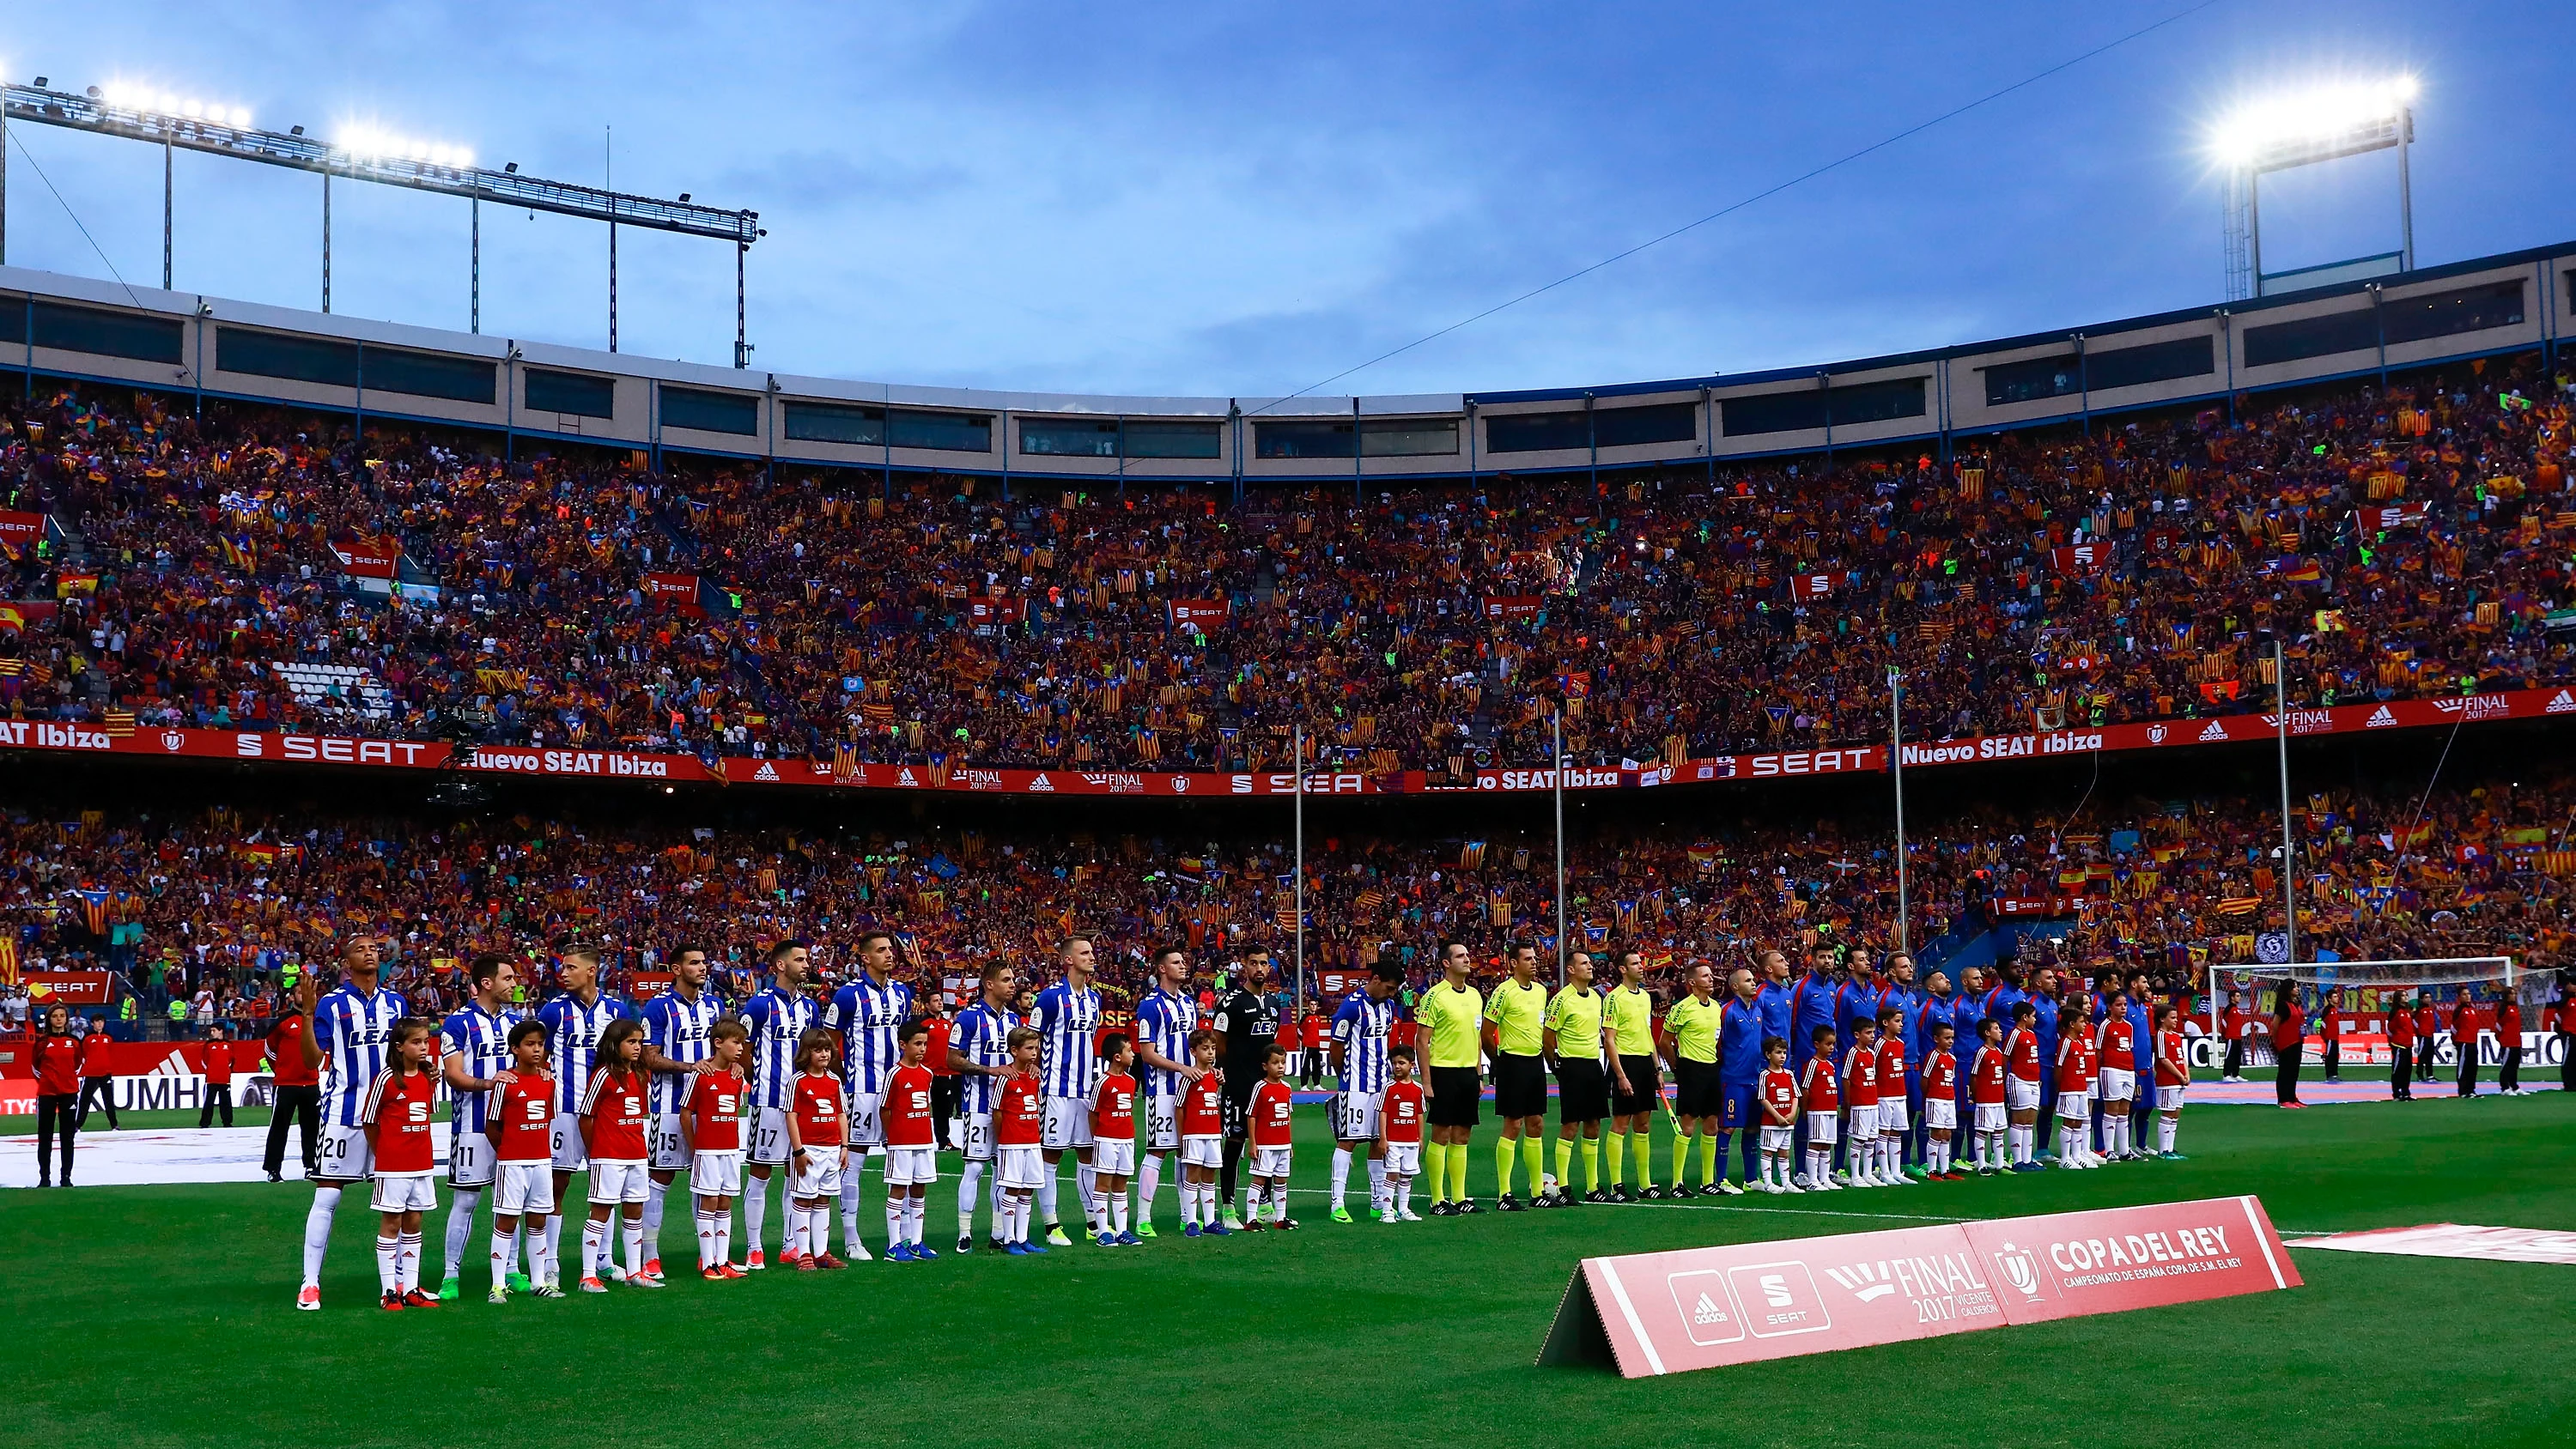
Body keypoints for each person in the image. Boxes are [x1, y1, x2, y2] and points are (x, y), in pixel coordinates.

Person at [295, 932, 404, 1312]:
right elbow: (311, 1061)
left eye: (374, 948)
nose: (370, 953)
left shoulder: (396, 1003)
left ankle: (401, 1284)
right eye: (361, 949)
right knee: (327, 1194)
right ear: (346, 961)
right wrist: (307, 1015)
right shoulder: (331, 1003)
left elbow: (407, 1054)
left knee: (400, 1200)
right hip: (345, 1112)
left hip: (390, 1115)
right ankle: (310, 1283)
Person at [537, 938, 628, 1283]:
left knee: (608, 1186)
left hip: (605, 1112)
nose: (564, 973)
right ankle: (550, 1262)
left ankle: (603, 1258)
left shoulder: (615, 1010)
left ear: (592, 971)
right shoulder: (553, 1010)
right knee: (556, 1185)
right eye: (563, 967)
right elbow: (538, 1052)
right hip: (565, 1109)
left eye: (571, 967)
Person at [435, 953, 522, 1301]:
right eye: (508, 978)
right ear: (487, 983)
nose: (514, 984)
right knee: (467, 1201)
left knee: (512, 1200)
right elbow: (453, 1075)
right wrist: (491, 1084)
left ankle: (513, 1269)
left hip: (513, 1126)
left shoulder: (515, 1022)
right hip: (472, 1125)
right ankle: (450, 1275)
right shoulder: (458, 1023)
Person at [823, 931, 912, 1263]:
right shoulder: (847, 996)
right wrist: (844, 1081)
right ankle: (851, 1237)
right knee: (854, 1163)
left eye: (891, 949)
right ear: (865, 958)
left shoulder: (902, 993)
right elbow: (830, 1043)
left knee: (904, 1162)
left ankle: (903, 1239)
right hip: (862, 1090)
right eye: (881, 950)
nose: (889, 955)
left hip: (897, 1090)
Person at [638, 943, 721, 1279]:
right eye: (694, 963)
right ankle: (650, 1254)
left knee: (708, 1181)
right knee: (660, 1178)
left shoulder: (715, 1006)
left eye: (704, 962)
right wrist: (691, 1068)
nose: (702, 968)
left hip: (710, 1107)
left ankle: (708, 1256)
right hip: (668, 1106)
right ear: (676, 969)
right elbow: (648, 1057)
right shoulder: (658, 1008)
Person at [739, 938, 818, 1269]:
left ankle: (790, 1244)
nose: (806, 964)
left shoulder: (810, 1007)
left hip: (799, 1105)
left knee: (795, 1174)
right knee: (760, 1173)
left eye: (807, 959)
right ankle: (754, 1246)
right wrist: (756, 1080)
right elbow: (741, 1049)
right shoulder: (759, 1005)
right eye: (800, 959)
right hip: (768, 1102)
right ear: (781, 965)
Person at [361, 1017, 441, 1311]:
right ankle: (388, 1291)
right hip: (393, 1164)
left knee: (414, 1222)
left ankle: (410, 1287)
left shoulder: (426, 1079)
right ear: (399, 1047)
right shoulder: (386, 1079)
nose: (423, 1047)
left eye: (425, 1041)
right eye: (416, 1042)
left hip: (421, 1162)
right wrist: (383, 1153)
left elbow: (426, 1115)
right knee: (392, 1222)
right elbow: (369, 1120)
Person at [1032, 937, 1104, 1246]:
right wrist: (1032, 1069)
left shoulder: (1094, 999)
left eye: (1091, 952)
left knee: (1088, 1155)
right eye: (1084, 953)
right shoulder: (1049, 998)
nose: (1091, 957)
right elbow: (1031, 1038)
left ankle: (1093, 1222)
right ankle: (1052, 1225)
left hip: (1085, 1090)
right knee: (1051, 1155)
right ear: (1068, 960)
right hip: (1056, 1090)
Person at [576, 1016, 656, 1292]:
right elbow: (586, 1116)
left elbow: (638, 1114)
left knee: (635, 1211)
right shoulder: (603, 1075)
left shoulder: (641, 1075)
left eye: (640, 1042)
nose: (637, 1047)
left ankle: (635, 1271)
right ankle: (588, 1275)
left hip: (636, 1153)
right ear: (615, 1044)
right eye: (631, 1042)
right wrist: (595, 1151)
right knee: (601, 1211)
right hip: (608, 1155)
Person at [947, 959, 1020, 1252]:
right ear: (989, 984)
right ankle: (964, 1233)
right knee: (975, 1168)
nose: (1012, 984)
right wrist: (991, 1071)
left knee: (1003, 1170)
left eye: (1012, 979)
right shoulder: (969, 1018)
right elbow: (952, 1060)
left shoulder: (1014, 1020)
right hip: (977, 1104)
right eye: (1006, 979)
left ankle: (998, 1232)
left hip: (1009, 1106)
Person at [485, 1019, 562, 1300]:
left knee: (538, 1221)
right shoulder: (505, 1083)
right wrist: (507, 1152)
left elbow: (547, 1121)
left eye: (540, 1044)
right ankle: (497, 1285)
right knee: (506, 1221)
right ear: (515, 1048)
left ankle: (538, 1281)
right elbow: (492, 1126)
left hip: (542, 1161)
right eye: (530, 1044)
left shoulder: (548, 1082)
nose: (537, 1049)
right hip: (512, 1164)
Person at [1131, 946, 1201, 1239]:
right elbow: (1146, 1054)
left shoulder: (1188, 1003)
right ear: (1161, 969)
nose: (1183, 966)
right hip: (1162, 1090)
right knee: (1158, 1150)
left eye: (1183, 961)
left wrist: (1207, 1070)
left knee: (1189, 1152)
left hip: (1191, 1089)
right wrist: (1181, 1068)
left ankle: (1189, 1218)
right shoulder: (1149, 1006)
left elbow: (1198, 1047)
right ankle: (1143, 1219)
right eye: (1176, 962)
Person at [1210, 948, 1279, 1228]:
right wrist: (1226, 1071)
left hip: (1264, 1088)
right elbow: (1219, 1039)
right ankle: (1228, 1208)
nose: (1259, 968)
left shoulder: (1274, 1002)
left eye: (1263, 963)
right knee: (1236, 1144)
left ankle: (1264, 1204)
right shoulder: (1232, 1002)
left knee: (1268, 1143)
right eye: (1254, 963)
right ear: (1245, 968)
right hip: (1239, 1085)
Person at [678, 1019, 750, 1280]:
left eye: (742, 1042)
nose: (740, 1048)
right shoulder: (701, 1074)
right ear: (718, 1044)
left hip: (731, 1149)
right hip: (707, 1151)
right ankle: (708, 1263)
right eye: (735, 1042)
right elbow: (685, 1114)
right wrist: (695, 1147)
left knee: (726, 1201)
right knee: (708, 1202)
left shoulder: (736, 1076)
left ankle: (723, 1261)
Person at [1327, 963, 1400, 1222]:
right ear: (1376, 979)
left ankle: (1378, 1202)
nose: (1392, 994)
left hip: (1381, 1084)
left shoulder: (1389, 1007)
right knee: (1348, 1141)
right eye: (1389, 988)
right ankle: (1337, 1203)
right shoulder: (1351, 1006)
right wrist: (1344, 1076)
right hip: (1355, 1085)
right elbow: (1335, 1047)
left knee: (1378, 1143)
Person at [1483, 942, 1552, 1210]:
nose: (1534, 962)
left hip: (1535, 1062)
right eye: (1527, 958)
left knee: (1536, 1123)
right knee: (1513, 1125)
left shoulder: (1541, 991)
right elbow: (1487, 1033)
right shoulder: (1503, 992)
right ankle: (1504, 1193)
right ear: (1513, 963)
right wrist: (1498, 1062)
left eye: (1535, 958)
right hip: (1512, 1062)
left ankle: (1537, 1192)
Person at [1418, 940, 1483, 1216]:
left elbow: (1477, 1036)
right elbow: (1422, 1040)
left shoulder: (1476, 996)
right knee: (1442, 1134)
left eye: (1467, 955)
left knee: (1463, 1135)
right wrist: (1428, 1081)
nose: (1467, 959)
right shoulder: (1435, 996)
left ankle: (1460, 1197)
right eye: (1460, 956)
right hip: (1443, 1071)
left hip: (1468, 1073)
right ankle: (1437, 1199)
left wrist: (1479, 1073)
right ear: (1446, 963)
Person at [1543, 952, 1610, 1206]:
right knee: (1571, 1125)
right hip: (1572, 1066)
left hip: (1594, 1064)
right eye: (1584, 963)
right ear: (1570, 970)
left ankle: (1593, 1186)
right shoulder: (1561, 1000)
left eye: (1590, 963)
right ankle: (1563, 1186)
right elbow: (1548, 1037)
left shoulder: (1595, 997)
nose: (1590, 966)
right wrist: (1557, 1066)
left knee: (1594, 1124)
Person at [786, 1025, 851, 1271]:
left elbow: (841, 1115)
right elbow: (791, 1116)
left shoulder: (834, 1081)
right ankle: (803, 1253)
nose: (824, 1054)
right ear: (806, 1053)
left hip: (832, 1150)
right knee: (804, 1199)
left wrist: (844, 1146)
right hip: (809, 1150)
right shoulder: (798, 1081)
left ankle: (821, 1252)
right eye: (817, 1050)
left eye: (827, 1050)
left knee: (824, 1199)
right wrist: (798, 1150)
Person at [1659, 962, 1727, 1196]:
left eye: (1711, 975)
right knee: (1687, 1126)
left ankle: (1708, 1182)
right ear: (1692, 982)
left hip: (1711, 1069)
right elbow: (1664, 1041)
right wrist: (1678, 1067)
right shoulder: (1682, 1008)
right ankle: (1677, 1182)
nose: (1711, 979)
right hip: (1690, 1068)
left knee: (1712, 1124)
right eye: (1705, 976)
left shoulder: (1716, 1007)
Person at [1602, 950, 1662, 1202]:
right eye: (1635, 963)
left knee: (1643, 1124)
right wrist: (1620, 1075)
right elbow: (1609, 1039)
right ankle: (1617, 1185)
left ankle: (1645, 1184)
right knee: (1621, 1124)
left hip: (1645, 1064)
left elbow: (1647, 1033)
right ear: (1622, 969)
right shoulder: (1614, 998)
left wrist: (1657, 1068)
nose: (1641, 966)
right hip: (1625, 1062)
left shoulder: (1646, 997)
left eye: (1641, 962)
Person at [995, 1026, 1048, 1256]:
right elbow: (997, 1111)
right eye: (1029, 1048)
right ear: (1014, 1050)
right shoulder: (1005, 1078)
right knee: (1013, 1188)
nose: (1035, 1052)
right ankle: (1008, 1240)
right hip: (1012, 1142)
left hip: (1031, 1141)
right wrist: (1004, 1138)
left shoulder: (1034, 1075)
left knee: (1028, 1189)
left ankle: (1023, 1237)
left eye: (1036, 1048)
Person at [1713, 967, 1765, 1192]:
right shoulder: (1728, 1011)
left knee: (1753, 1128)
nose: (1754, 983)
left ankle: (1751, 1178)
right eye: (1748, 980)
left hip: (1756, 1077)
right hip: (1734, 1079)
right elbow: (1718, 1043)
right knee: (1728, 1128)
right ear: (1735, 986)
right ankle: (1721, 1179)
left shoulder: (1758, 1008)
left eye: (1754, 980)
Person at [1087, 1033, 1141, 1246]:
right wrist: (1098, 1138)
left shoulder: (1130, 1081)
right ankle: (1102, 1232)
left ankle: (1122, 1231)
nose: (1133, 1054)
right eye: (1129, 1050)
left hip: (1127, 1139)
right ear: (1117, 1056)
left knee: (1121, 1185)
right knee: (1103, 1184)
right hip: (1106, 1139)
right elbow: (1093, 1113)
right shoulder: (1103, 1082)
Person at [1177, 1028, 1231, 1236]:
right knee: (1193, 1176)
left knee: (1210, 1176)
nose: (1210, 1053)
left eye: (1213, 1049)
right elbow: (1179, 1107)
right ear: (1193, 1051)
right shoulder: (1190, 1078)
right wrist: (1182, 1138)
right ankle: (1191, 1221)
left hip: (1213, 1133)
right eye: (1205, 1049)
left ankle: (1210, 1221)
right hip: (1194, 1134)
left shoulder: (1216, 1077)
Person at [264, 994, 321, 1182]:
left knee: (312, 1128)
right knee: (279, 1128)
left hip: (311, 1083)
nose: (303, 995)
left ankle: (311, 1166)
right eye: (299, 991)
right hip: (286, 1084)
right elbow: (269, 1050)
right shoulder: (283, 1022)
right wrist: (282, 1070)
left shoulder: (317, 1020)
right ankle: (273, 1169)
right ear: (291, 997)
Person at [1245, 1046, 1298, 1229]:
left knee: (1281, 1179)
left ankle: (1281, 1218)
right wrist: (1253, 1143)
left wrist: (1289, 1143)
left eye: (1283, 1062)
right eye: (1275, 1063)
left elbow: (1288, 1116)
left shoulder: (1287, 1088)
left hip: (1282, 1144)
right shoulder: (1261, 1087)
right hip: (1265, 1145)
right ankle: (1251, 1219)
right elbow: (1251, 1115)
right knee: (1259, 1179)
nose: (1280, 1066)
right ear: (1265, 1066)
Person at [32, 1003, 82, 1188]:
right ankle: (44, 1178)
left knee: (67, 1137)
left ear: (66, 1019)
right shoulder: (42, 1043)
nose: (59, 1019)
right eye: (55, 1016)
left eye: (62, 1015)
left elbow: (77, 1065)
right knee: (45, 1137)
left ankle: (66, 1177)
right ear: (50, 1019)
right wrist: (49, 1081)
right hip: (46, 1093)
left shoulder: (75, 1042)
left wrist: (66, 1080)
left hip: (69, 1093)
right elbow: (35, 1068)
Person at [1381, 1045, 1428, 1222]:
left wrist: (1420, 1138)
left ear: (1412, 1065)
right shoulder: (1389, 1088)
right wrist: (1383, 1138)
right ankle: (1387, 1210)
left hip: (1411, 1141)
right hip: (1393, 1140)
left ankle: (1403, 1208)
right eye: (1394, 1063)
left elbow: (1419, 1114)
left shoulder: (1417, 1089)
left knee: (1407, 1174)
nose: (1397, 1067)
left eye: (1402, 1063)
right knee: (1392, 1173)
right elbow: (1383, 1113)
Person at [2052, 1000, 2099, 1169]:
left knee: (2079, 1121)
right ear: (2072, 1024)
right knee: (2069, 1122)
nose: (2085, 1025)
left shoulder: (2079, 1042)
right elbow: (2059, 1066)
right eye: (2081, 1022)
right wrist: (2061, 1088)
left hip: (2081, 1088)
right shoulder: (2066, 1042)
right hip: (2069, 1089)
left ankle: (2077, 1155)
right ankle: (2065, 1159)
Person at [1797, 1023, 1842, 1191]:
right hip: (1817, 1110)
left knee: (1826, 1145)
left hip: (1830, 1110)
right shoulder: (1812, 1064)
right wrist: (1805, 1110)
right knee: (1816, 1143)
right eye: (1828, 1044)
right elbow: (1805, 1088)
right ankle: (1812, 1180)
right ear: (1817, 1044)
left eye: (1833, 1044)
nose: (1831, 1048)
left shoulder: (1830, 1065)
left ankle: (1824, 1178)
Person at [2094, 990, 2137, 1162]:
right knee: (2111, 1110)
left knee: (2125, 1111)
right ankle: (2110, 1150)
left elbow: (2129, 1048)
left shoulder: (2129, 1026)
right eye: (2119, 1005)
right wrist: (2098, 1070)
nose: (2123, 1008)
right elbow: (2098, 1051)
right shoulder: (2106, 1025)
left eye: (2125, 1005)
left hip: (2128, 1070)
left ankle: (2125, 1150)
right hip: (2112, 1070)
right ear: (2110, 1007)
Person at [1754, 1036, 1800, 1193]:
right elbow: (1763, 1098)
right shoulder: (1765, 1075)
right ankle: (1768, 1183)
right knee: (1768, 1151)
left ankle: (1786, 1183)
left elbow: (1795, 1096)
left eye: (1784, 1053)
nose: (1782, 1056)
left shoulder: (1789, 1074)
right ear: (1768, 1055)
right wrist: (1777, 1116)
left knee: (1784, 1152)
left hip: (1787, 1122)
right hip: (1771, 1122)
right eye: (1778, 1052)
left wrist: (1792, 1113)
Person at [1871, 1005, 1911, 1187]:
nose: (1901, 1024)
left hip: (1899, 1094)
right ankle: (1884, 1171)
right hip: (1884, 1096)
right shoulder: (1879, 1044)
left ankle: (1896, 1171)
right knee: (1883, 1133)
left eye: (1901, 1021)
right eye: (1897, 1021)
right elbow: (1873, 1068)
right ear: (1885, 1023)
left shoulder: (1900, 1044)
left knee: (1896, 1133)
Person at [2003, 1000, 2044, 1172]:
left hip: (2034, 1081)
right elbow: (2005, 1057)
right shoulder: (2015, 1034)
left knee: (2029, 1121)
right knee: (2018, 1120)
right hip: (2019, 1079)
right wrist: (2005, 1077)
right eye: (2033, 1017)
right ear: (2024, 1017)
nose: (2035, 1020)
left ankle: (2028, 1160)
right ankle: (2017, 1160)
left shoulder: (2031, 1034)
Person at [1968, 1016, 2009, 1174]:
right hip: (1986, 1100)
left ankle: (1999, 1165)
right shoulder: (1982, 1052)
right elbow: (1974, 1075)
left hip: (1998, 1099)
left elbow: (2002, 1074)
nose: (2000, 1031)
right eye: (1996, 1028)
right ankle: (1982, 1166)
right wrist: (1976, 1096)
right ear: (1987, 1033)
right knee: (1982, 1131)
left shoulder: (1999, 1052)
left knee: (1999, 1132)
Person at [1920, 1022, 1959, 1179]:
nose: (1950, 1041)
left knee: (1947, 1134)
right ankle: (1931, 1170)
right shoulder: (1933, 1056)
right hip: (1935, 1099)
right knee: (1936, 1133)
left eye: (1952, 1038)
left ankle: (1945, 1169)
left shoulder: (1952, 1058)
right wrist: (1927, 1098)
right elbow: (1925, 1079)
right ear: (1937, 1039)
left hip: (1949, 1099)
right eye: (1947, 1038)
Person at [2152, 1004, 2190, 1161]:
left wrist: (2187, 1074)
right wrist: (2180, 1075)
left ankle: (2170, 1147)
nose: (2176, 1021)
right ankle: (2163, 1150)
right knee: (2167, 1114)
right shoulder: (2161, 1036)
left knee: (2175, 1114)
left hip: (2180, 1081)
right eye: (2172, 1018)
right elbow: (2163, 1059)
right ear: (2162, 1019)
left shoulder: (2176, 1036)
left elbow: (2182, 1058)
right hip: (2168, 1081)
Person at [74, 1016, 119, 1131]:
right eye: (97, 1022)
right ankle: (77, 1126)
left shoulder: (108, 1037)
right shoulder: (87, 1038)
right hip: (90, 1073)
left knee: (108, 1100)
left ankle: (114, 1125)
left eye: (101, 1022)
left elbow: (109, 1052)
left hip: (105, 1072)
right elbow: (82, 1053)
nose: (99, 1024)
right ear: (92, 1024)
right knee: (85, 1100)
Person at [2273, 985, 2306, 1109]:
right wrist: (2275, 1040)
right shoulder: (2283, 1005)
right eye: (2294, 987)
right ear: (2288, 990)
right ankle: (2283, 1099)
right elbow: (2275, 1024)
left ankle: (2292, 1097)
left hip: (2297, 1041)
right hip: (2286, 1042)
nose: (2297, 989)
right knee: (2285, 1071)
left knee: (2294, 1071)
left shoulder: (2297, 1004)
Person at [198, 1025, 238, 1128]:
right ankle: (205, 1123)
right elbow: (204, 1060)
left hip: (224, 1079)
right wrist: (210, 1071)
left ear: (221, 1031)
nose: (212, 1033)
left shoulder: (228, 1045)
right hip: (211, 1079)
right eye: (211, 1031)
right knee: (209, 1102)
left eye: (214, 1030)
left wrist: (227, 1071)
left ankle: (227, 1122)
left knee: (226, 1102)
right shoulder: (209, 1045)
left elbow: (232, 1060)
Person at [2451, 990, 2482, 1100]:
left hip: (2473, 1041)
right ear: (2459, 997)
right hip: (2463, 1042)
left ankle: (2471, 1090)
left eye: (2469, 994)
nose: (2468, 996)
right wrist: (2457, 1042)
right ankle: (2463, 1091)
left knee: (2473, 1067)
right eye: (2464, 994)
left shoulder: (2473, 1010)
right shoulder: (2459, 1010)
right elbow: (2454, 1028)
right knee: (2463, 1067)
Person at [2387, 990, 2416, 1101]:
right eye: (2403, 996)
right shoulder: (2395, 1012)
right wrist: (2393, 1043)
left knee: (2407, 1070)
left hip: (2408, 1044)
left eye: (2406, 995)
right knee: (2398, 1070)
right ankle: (2396, 1093)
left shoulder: (2407, 1012)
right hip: (2399, 1045)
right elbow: (2390, 1029)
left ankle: (2406, 1093)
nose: (2405, 997)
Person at [2219, 990, 2250, 1082]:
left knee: (2237, 1056)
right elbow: (2223, 1023)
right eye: (2237, 996)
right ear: (2232, 998)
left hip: (2238, 1037)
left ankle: (2235, 1074)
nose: (2239, 997)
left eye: (2239, 995)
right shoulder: (2229, 1009)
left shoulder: (2237, 1009)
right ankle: (2226, 1075)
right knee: (2229, 1056)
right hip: (2231, 1037)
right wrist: (2224, 1034)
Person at [2496, 994, 2524, 1094]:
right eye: (2511, 994)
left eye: (2515, 994)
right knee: (2506, 1065)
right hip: (2507, 1042)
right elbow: (2499, 1025)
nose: (2514, 996)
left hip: (2516, 1041)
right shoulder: (2505, 1009)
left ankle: (2514, 1086)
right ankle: (2505, 1087)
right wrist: (2502, 1037)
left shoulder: (2515, 1008)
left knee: (2514, 1065)